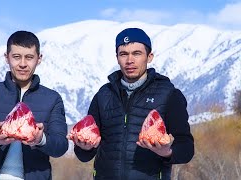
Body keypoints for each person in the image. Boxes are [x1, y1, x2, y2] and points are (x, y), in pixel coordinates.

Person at [72, 28, 194, 179]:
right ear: (117, 58)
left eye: (137, 53)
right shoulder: (103, 95)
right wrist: (84, 147)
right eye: (123, 54)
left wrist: (167, 153)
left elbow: (186, 147)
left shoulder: (169, 94)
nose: (129, 60)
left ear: (149, 57)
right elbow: (84, 154)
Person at [0, 30, 68, 180]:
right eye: (16, 57)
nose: (23, 64)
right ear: (7, 57)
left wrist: (41, 139)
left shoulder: (52, 99)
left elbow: (61, 146)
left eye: (29, 57)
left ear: (39, 59)